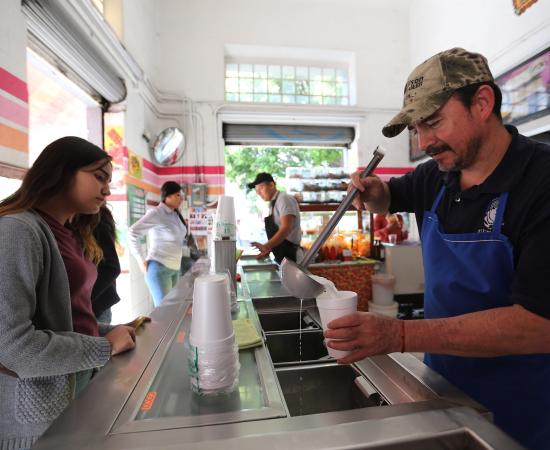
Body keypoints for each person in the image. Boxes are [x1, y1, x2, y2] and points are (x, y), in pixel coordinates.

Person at [324, 48, 550, 449]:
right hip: (441, 391)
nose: (424, 141)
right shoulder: (436, 176)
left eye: (432, 122)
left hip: (524, 410)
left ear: (482, 103)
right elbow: (389, 196)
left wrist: (399, 335)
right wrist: (374, 194)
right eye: (416, 128)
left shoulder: (541, 182)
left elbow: (539, 324)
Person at [0, 136, 136, 449]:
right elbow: (12, 347)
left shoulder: (66, 232)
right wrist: (103, 346)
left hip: (72, 388)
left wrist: (108, 330)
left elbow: (64, 318)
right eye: (99, 177)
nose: (107, 190)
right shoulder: (17, 230)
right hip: (36, 419)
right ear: (61, 171)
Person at [128, 181, 188, 306]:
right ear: (167, 196)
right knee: (164, 312)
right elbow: (132, 232)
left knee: (172, 310)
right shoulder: (156, 213)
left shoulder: (175, 214)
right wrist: (141, 260)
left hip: (175, 268)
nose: (181, 198)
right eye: (178, 195)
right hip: (159, 268)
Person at [247, 172, 303, 264]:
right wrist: (268, 249)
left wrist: (267, 246)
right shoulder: (272, 204)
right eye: (257, 191)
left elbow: (286, 228)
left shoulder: (284, 199)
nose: (259, 193)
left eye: (261, 188)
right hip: (281, 256)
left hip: (292, 256)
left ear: (271, 185)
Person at [90, 205, 121, 323]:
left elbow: (111, 267)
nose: (106, 195)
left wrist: (81, 300)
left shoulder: (95, 216)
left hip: (96, 304)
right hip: (94, 304)